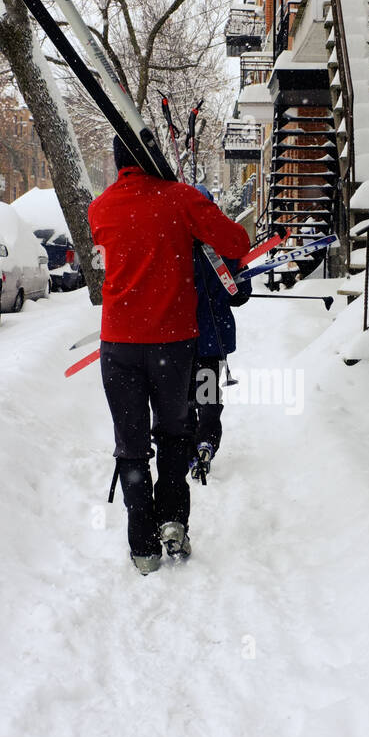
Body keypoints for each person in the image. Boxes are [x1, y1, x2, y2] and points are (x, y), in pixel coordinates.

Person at [88, 137, 250, 575]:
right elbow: (237, 241)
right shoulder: (179, 199)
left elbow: (107, 259)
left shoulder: (99, 208)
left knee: (131, 444)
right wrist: (188, 209)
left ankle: (142, 546)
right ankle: (174, 520)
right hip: (173, 345)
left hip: (117, 346)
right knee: (175, 434)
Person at [189, 184, 252, 483]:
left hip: (180, 340)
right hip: (213, 340)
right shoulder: (225, 247)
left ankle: (185, 447)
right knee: (209, 397)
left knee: (184, 398)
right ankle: (206, 444)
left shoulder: (174, 248)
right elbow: (240, 294)